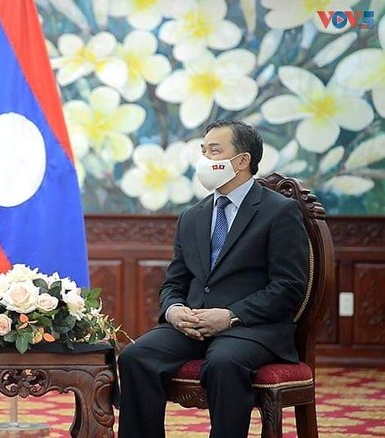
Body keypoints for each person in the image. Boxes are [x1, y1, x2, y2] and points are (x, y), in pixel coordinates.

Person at [118, 120, 309, 438]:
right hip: (192, 325)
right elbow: (174, 282)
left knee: (224, 362)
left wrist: (232, 316)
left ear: (242, 160)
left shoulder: (279, 212)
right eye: (203, 151)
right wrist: (173, 310)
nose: (204, 159)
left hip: (252, 329)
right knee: (136, 356)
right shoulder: (192, 216)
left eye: (214, 151)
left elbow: (288, 287)